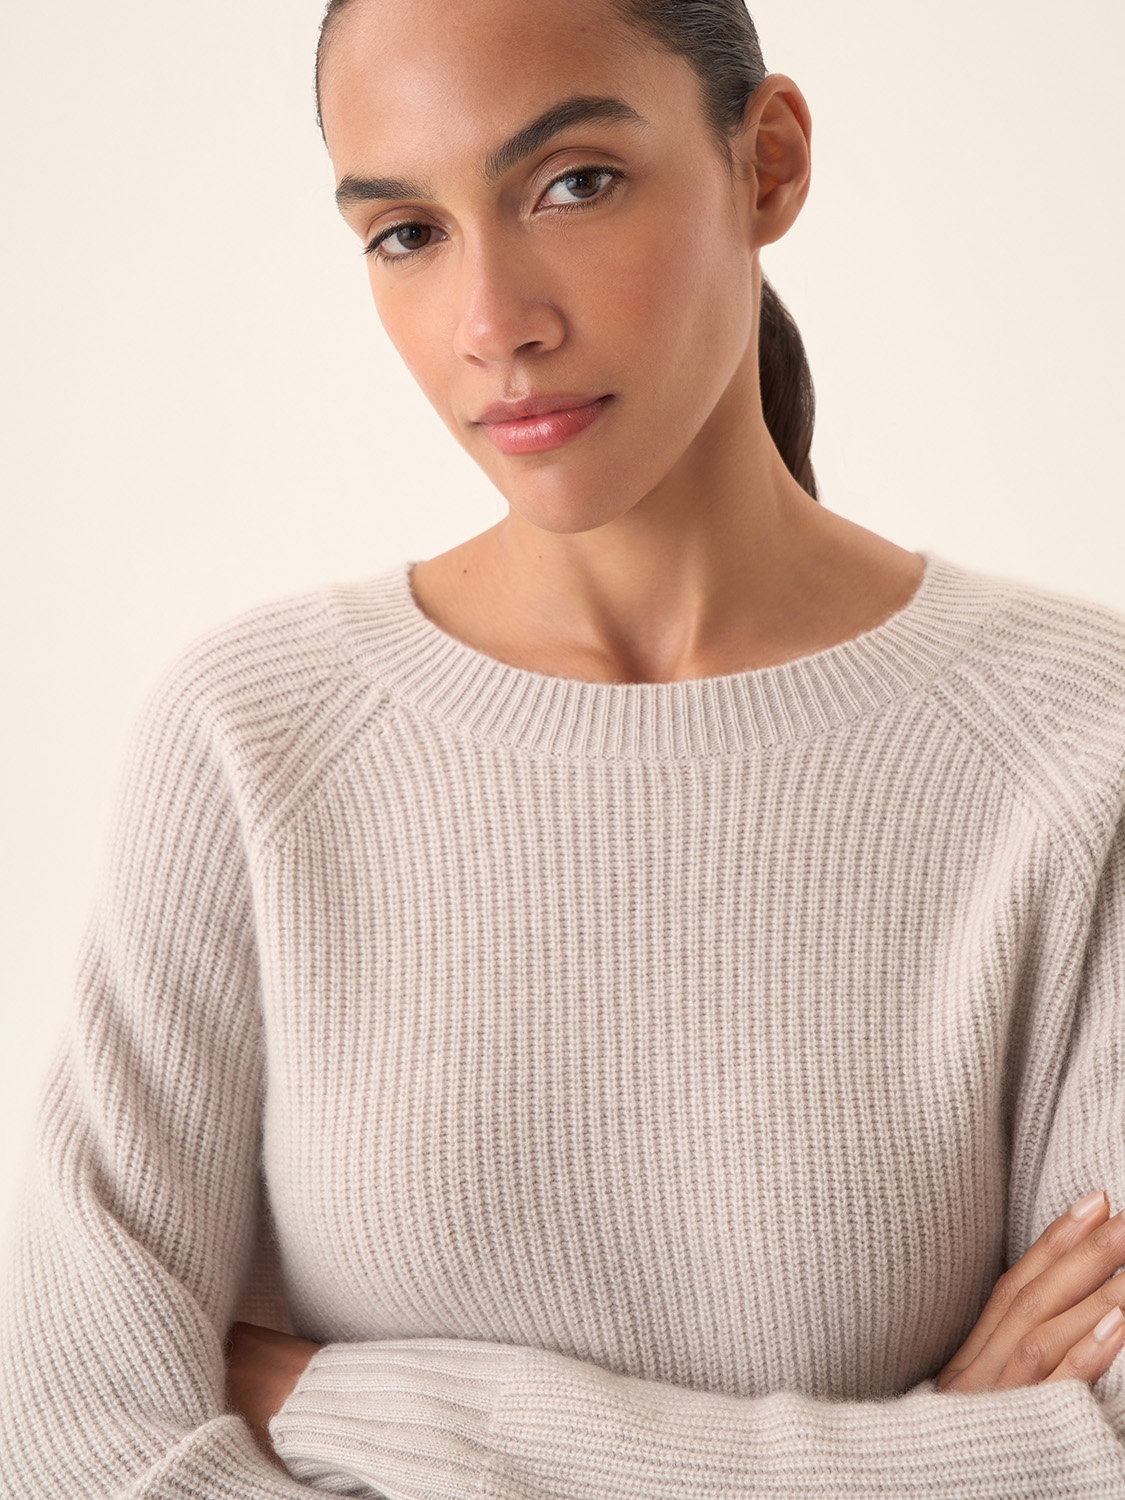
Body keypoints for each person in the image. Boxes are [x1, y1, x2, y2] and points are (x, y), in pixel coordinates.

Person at [2, 0, 1125, 1494]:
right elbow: (78, 1449)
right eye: (407, 233)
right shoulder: (255, 741)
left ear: (768, 164)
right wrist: (944, 1458)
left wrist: (348, 1403)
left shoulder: (1076, 741)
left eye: (572, 184)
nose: (493, 324)